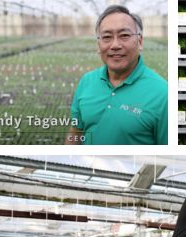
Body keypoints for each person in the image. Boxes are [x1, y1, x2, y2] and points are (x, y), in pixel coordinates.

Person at [65, 5, 167, 145]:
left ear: (140, 41)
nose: (115, 45)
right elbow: (76, 132)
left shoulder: (163, 94)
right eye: (107, 37)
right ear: (98, 44)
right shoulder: (86, 81)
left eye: (124, 35)